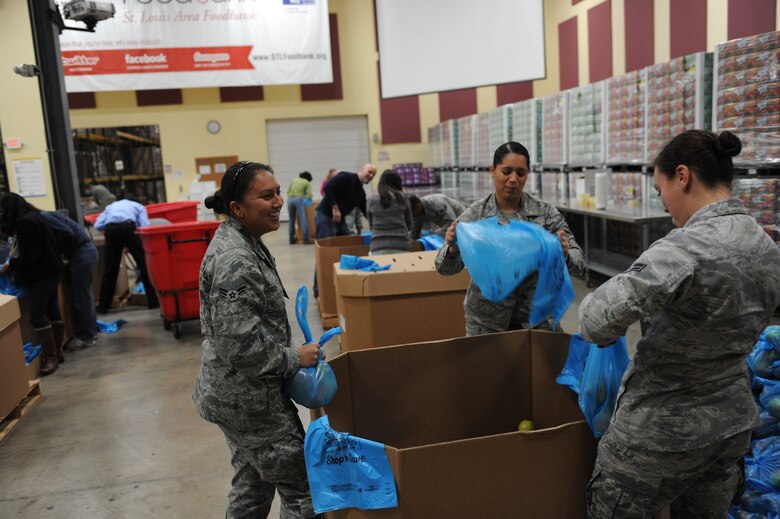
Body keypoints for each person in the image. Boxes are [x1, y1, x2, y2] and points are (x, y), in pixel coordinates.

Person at [579, 130, 780, 518]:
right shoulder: (766, 246)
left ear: (682, 176)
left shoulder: (683, 247)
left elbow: (594, 322)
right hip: (729, 428)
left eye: (660, 189)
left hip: (660, 433)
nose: (665, 203)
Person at [192, 161, 321, 518]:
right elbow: (241, 348)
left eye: (278, 191)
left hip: (237, 396)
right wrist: (297, 358)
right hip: (250, 403)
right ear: (237, 208)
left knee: (254, 483)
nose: (279, 201)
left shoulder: (244, 239)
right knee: (305, 492)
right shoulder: (236, 260)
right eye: (266, 196)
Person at [435, 141, 584, 336]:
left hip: (535, 321)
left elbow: (579, 262)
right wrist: (453, 249)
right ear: (492, 170)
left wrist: (564, 255)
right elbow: (443, 269)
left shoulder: (545, 214)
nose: (513, 179)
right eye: (506, 171)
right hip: (486, 324)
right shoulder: (476, 215)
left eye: (520, 173)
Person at [0, 194, 65, 375]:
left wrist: (12, 265)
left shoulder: (25, 223)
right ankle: (57, 353)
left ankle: (51, 358)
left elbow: (31, 254)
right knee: (52, 310)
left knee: (37, 315)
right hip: (52, 270)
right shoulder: (35, 216)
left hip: (43, 273)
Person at [42, 210, 99, 351]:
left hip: (82, 254)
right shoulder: (44, 216)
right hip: (83, 252)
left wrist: (57, 252)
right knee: (85, 295)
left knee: (82, 297)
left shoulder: (43, 218)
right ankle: (90, 332)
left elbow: (67, 233)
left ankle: (86, 337)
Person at [95, 198, 159, 313]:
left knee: (110, 268)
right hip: (129, 228)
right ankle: (153, 302)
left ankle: (103, 306)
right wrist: (133, 241)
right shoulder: (138, 206)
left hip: (111, 229)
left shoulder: (110, 206)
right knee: (143, 265)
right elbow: (145, 226)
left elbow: (98, 225)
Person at [315, 164, 376, 240]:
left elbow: (365, 210)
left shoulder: (360, 193)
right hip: (325, 216)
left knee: (345, 242)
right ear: (362, 169)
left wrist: (374, 224)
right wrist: (335, 208)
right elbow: (328, 187)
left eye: (373, 174)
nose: (371, 175)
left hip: (339, 220)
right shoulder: (345, 176)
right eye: (369, 172)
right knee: (326, 246)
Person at [367, 169, 412, 255]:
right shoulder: (403, 198)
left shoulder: (371, 199)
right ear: (398, 182)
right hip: (401, 245)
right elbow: (409, 224)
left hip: (378, 247)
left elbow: (371, 226)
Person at [287, 171, 313, 245]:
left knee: (291, 219)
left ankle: (291, 239)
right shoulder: (306, 182)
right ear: (308, 178)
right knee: (302, 218)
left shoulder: (294, 179)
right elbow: (309, 195)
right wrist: (308, 201)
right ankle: (306, 239)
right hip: (299, 199)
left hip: (290, 199)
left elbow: (288, 191)